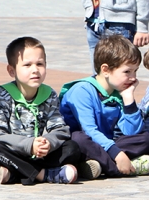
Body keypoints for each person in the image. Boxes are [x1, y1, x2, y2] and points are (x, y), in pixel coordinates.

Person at [0, 37, 84, 185]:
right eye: (27, 65)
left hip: (36, 155)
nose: (35, 70)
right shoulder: (2, 95)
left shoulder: (49, 94)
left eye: (40, 64)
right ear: (11, 70)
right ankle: (43, 175)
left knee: (72, 148)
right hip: (10, 152)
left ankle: (17, 174)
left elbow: (61, 129)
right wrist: (29, 145)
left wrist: (48, 142)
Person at [60, 35, 149, 177]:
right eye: (127, 71)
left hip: (103, 145)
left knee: (145, 138)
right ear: (106, 70)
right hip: (82, 145)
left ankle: (99, 165)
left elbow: (132, 132)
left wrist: (128, 99)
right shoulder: (82, 90)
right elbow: (89, 130)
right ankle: (119, 168)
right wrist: (117, 154)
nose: (133, 78)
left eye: (135, 71)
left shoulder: (118, 91)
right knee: (78, 138)